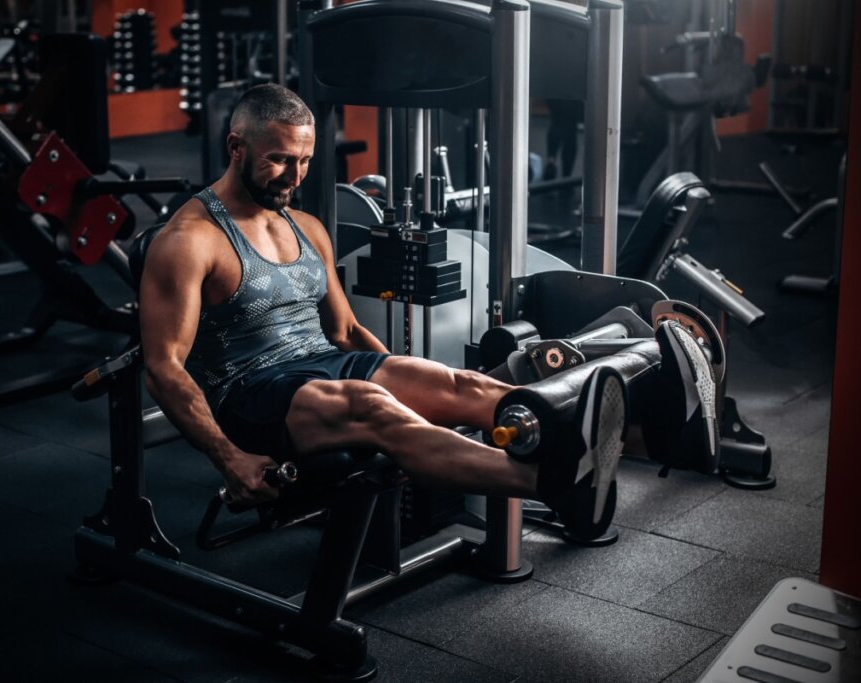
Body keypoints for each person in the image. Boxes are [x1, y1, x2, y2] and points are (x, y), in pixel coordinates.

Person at [140, 84, 717, 542]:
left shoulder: (306, 226)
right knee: (372, 406)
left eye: (305, 162)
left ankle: (655, 433)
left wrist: (407, 376)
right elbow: (164, 365)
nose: (294, 178)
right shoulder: (190, 239)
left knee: (453, 382)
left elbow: (341, 330)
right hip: (249, 395)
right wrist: (229, 457)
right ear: (236, 148)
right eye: (278, 161)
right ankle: (556, 484)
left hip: (317, 364)